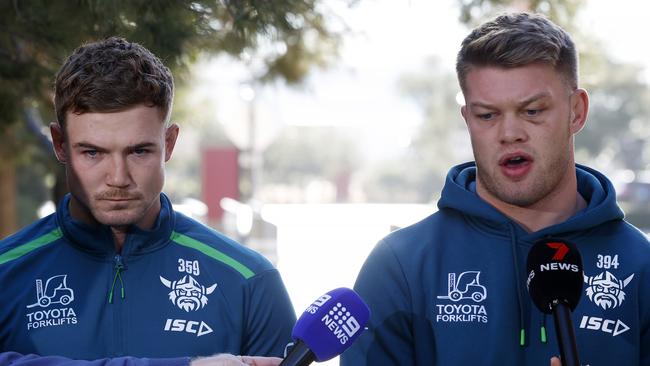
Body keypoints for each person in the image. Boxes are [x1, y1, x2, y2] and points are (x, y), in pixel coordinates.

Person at [341, 12, 650, 366]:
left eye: (532, 111)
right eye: (487, 115)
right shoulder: (401, 265)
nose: (509, 133)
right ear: (468, 119)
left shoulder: (640, 266)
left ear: (577, 112)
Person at [0, 37, 296, 366]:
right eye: (93, 152)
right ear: (60, 144)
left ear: (168, 143)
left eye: (139, 151)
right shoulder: (5, 273)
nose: (118, 177)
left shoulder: (249, 283)